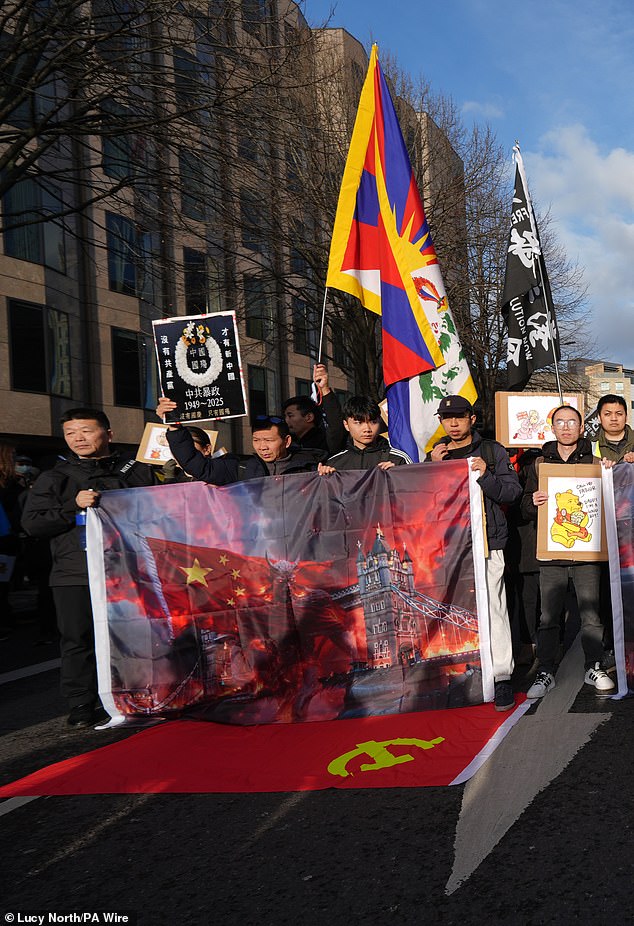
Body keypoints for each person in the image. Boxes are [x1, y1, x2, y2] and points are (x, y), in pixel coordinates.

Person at [21, 408, 158, 728]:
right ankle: (82, 703)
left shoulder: (135, 470)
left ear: (108, 434)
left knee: (133, 636)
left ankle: (138, 694)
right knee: (76, 640)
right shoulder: (54, 476)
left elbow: (156, 511)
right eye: (70, 433)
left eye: (86, 430)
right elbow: (33, 524)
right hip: (74, 574)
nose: (78, 439)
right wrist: (73, 506)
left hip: (127, 569)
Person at [427, 395, 522, 711]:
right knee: (455, 611)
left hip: (488, 543)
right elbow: (424, 504)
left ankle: (502, 678)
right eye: (446, 418)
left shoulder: (491, 451)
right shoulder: (435, 454)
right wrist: (432, 468)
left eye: (458, 417)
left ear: (471, 418)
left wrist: (485, 475)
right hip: (451, 547)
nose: (452, 423)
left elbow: (512, 492)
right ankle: (461, 677)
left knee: (494, 610)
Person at [520, 404, 615, 699]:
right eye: (560, 422)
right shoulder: (538, 464)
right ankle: (546, 670)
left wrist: (610, 476)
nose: (566, 427)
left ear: (581, 427)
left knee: (591, 612)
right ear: (553, 427)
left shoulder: (596, 462)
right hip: (552, 552)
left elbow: (610, 502)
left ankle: (593, 665)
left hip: (587, 552)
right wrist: (532, 501)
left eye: (571, 422)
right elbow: (523, 505)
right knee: (549, 616)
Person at [156, 398, 322, 484]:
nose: (262, 446)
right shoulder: (241, 468)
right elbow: (196, 466)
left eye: (268, 440)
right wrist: (175, 428)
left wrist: (329, 477)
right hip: (257, 545)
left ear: (286, 441)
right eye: (256, 440)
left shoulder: (312, 467)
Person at [318, 395, 411, 472]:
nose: (367, 429)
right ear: (346, 425)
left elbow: (416, 489)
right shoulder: (334, 463)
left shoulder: (398, 459)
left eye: (373, 422)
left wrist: (399, 475)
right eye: (359, 422)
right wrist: (325, 479)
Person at [282, 364, 346, 457]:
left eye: (290, 415)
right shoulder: (288, 445)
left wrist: (324, 388)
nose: (286, 420)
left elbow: (335, 423)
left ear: (309, 417)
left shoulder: (326, 441)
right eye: (285, 416)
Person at [591, 393, 634, 463]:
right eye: (607, 414)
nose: (614, 418)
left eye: (619, 414)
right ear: (599, 418)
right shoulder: (590, 444)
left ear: (626, 417)